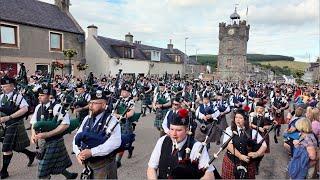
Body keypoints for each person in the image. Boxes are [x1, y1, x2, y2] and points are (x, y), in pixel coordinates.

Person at [147, 109, 215, 179]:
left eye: (178, 130)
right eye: (172, 129)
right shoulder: (162, 141)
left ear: (187, 130)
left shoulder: (197, 147)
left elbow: (209, 175)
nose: (173, 134)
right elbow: (151, 168)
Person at [30, 85, 77, 179]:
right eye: (39, 95)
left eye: (42, 95)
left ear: (49, 96)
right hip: (42, 142)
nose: (39, 97)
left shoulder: (57, 107)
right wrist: (33, 134)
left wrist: (48, 134)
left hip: (54, 141)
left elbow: (65, 125)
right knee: (52, 163)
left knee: (43, 171)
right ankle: (69, 175)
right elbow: (33, 122)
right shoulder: (38, 107)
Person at [73, 89, 121, 179]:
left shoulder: (111, 120)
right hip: (88, 164)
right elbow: (77, 136)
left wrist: (92, 152)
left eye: (94, 103)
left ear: (103, 105)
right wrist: (78, 153)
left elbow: (115, 142)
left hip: (103, 164)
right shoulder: (87, 118)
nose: (90, 106)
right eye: (90, 103)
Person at [0, 76, 36, 179]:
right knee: (12, 145)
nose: (3, 88)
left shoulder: (18, 97)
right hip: (4, 124)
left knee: (6, 147)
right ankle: (30, 154)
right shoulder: (1, 97)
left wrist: (9, 117)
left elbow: (25, 109)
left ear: (12, 86)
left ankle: (4, 171)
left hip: (14, 123)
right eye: (2, 86)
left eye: (5, 86)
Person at [221, 109, 267, 179]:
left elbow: (264, 145)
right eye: (236, 117)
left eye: (240, 118)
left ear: (245, 120)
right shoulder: (229, 129)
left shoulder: (252, 131)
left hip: (248, 164)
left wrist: (257, 153)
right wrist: (240, 156)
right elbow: (229, 145)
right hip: (232, 162)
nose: (237, 120)